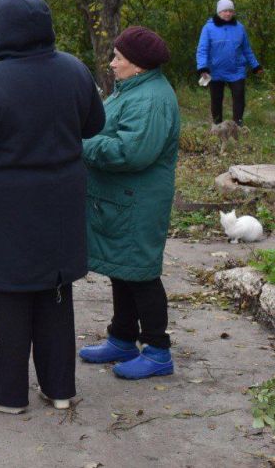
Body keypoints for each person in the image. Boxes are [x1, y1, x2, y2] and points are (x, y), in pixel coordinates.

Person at [0, 0, 105, 414]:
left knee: (11, 296)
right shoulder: (73, 69)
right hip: (62, 201)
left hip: (9, 207)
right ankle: (60, 389)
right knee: (56, 292)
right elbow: (95, 123)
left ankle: (7, 395)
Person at [78, 26, 180, 379]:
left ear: (138, 64)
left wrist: (81, 145)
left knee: (141, 274)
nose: (112, 63)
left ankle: (157, 350)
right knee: (123, 269)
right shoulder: (134, 89)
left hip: (138, 203)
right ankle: (122, 338)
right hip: (123, 200)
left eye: (118, 57)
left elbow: (131, 152)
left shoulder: (150, 99)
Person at [196, 0, 263, 126]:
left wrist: (256, 66)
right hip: (215, 71)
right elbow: (202, 49)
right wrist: (202, 67)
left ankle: (237, 125)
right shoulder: (208, 28)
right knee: (216, 99)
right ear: (219, 12)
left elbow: (247, 49)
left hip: (236, 70)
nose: (228, 14)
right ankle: (217, 125)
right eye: (225, 11)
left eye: (231, 11)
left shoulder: (240, 28)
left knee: (239, 96)